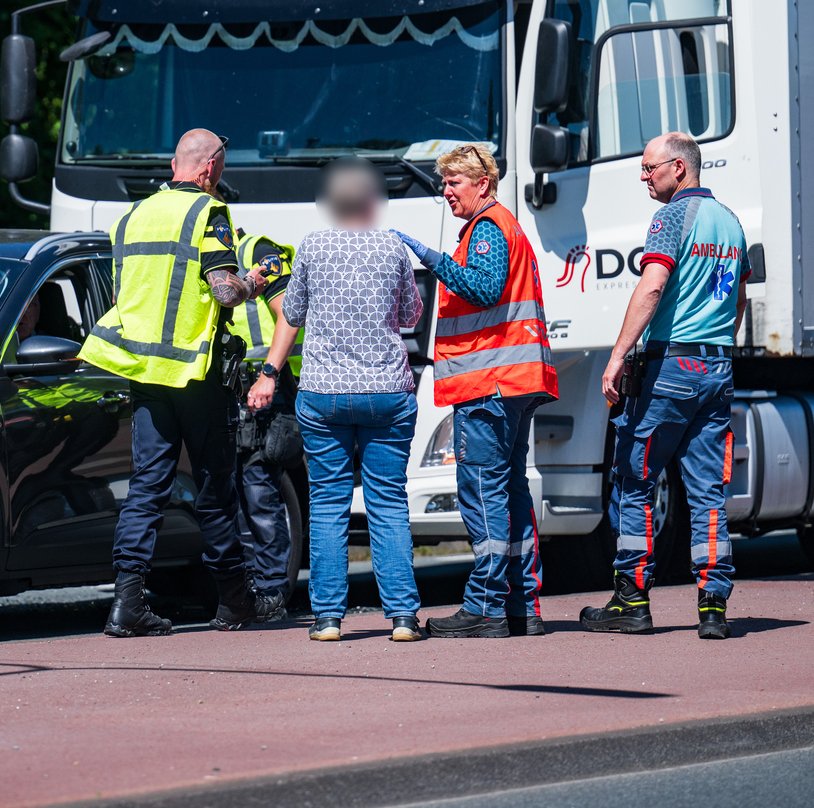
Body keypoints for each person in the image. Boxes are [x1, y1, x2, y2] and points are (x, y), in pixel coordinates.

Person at [81, 128, 279, 637]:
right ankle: (235, 602)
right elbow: (225, 292)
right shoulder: (208, 213)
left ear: (175, 165)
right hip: (196, 375)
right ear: (210, 168)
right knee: (215, 489)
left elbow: (131, 294)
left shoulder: (132, 216)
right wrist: (254, 280)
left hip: (146, 373)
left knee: (146, 487)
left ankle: (127, 604)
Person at [583, 131, 746, 640]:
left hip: (670, 370)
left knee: (634, 481)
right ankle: (713, 606)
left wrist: (617, 357)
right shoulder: (731, 221)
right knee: (707, 492)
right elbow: (737, 300)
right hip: (717, 369)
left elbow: (652, 286)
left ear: (679, 167)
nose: (643, 177)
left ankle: (631, 599)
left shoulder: (672, 216)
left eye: (649, 168)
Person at [394, 143, 557, 639]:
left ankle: (485, 606)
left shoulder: (487, 227)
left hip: (491, 384)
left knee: (483, 492)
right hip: (513, 380)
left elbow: (484, 289)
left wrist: (429, 257)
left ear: (482, 184)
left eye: (454, 182)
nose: (446, 191)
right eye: (443, 183)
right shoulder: (502, 225)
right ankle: (521, 606)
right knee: (510, 493)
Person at [281, 157, 424, 643]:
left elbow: (293, 311)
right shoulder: (392, 246)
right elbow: (410, 315)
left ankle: (327, 619)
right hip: (387, 390)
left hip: (324, 391)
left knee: (327, 503)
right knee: (388, 501)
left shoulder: (312, 246)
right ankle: (402, 617)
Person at [232, 231, 303, 621]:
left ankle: (272, 590)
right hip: (224, 386)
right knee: (231, 493)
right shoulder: (199, 257)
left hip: (260, 384)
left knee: (259, 489)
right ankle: (246, 591)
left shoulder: (256, 251)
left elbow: (289, 314)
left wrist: (268, 375)